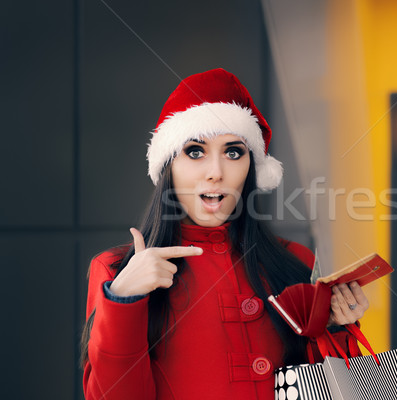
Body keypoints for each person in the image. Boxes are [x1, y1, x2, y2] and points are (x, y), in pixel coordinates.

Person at [80, 68, 369, 400]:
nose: (215, 172)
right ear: (168, 166)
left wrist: (335, 326)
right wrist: (124, 301)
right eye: (195, 151)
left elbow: (331, 390)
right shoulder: (116, 271)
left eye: (233, 152)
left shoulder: (295, 262)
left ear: (251, 167)